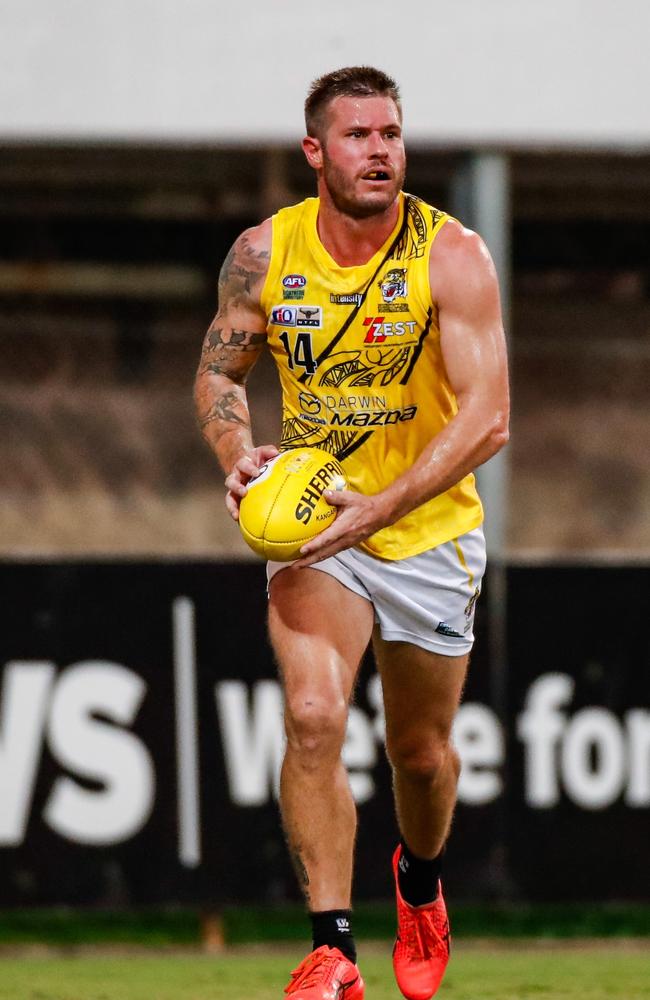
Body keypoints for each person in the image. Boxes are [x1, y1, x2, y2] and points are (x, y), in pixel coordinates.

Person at [194, 66, 509, 1000]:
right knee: (313, 714)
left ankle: (420, 881)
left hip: (427, 530)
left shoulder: (451, 256)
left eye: (393, 134)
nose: (381, 151)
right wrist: (238, 455)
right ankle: (332, 949)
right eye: (360, 135)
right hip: (322, 530)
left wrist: (384, 506)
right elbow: (219, 372)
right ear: (315, 152)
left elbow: (489, 417)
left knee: (421, 755)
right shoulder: (263, 252)